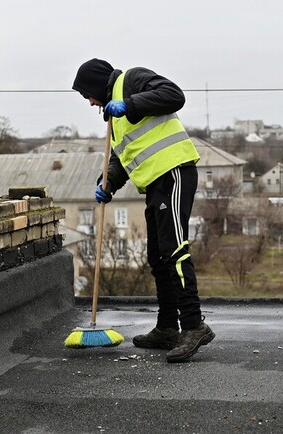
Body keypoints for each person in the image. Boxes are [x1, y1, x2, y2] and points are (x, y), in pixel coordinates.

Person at [72, 58, 215, 363]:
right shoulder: (113, 121)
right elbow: (121, 158)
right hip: (154, 183)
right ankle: (167, 327)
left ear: (97, 85)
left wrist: (129, 103)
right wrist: (107, 182)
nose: (89, 102)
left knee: (175, 250)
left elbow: (174, 95)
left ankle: (194, 326)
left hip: (175, 172)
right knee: (158, 257)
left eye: (87, 95)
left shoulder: (133, 80)